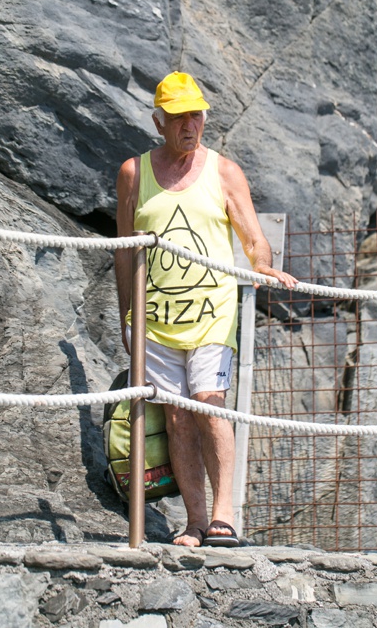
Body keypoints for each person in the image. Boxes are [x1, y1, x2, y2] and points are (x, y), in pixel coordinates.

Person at [114, 71, 297, 548]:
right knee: (176, 417)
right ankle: (195, 522)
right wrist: (125, 317)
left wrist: (264, 269)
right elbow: (123, 250)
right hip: (155, 320)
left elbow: (254, 239)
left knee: (210, 407)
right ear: (159, 121)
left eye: (196, 114)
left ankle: (224, 515)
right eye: (178, 117)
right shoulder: (134, 172)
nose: (189, 125)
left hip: (212, 313)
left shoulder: (224, 171)